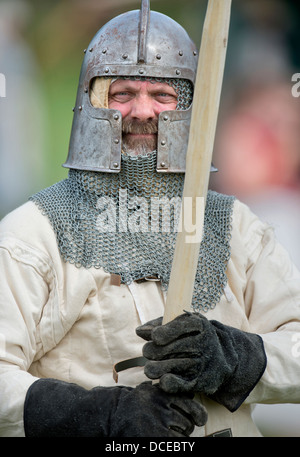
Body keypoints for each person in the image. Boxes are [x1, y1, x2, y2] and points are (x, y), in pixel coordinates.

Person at [1, 1, 300, 438]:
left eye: (163, 95)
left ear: (189, 108)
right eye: (123, 94)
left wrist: (234, 357)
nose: (143, 111)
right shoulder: (33, 235)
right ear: (91, 102)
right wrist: (100, 415)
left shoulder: (237, 230)